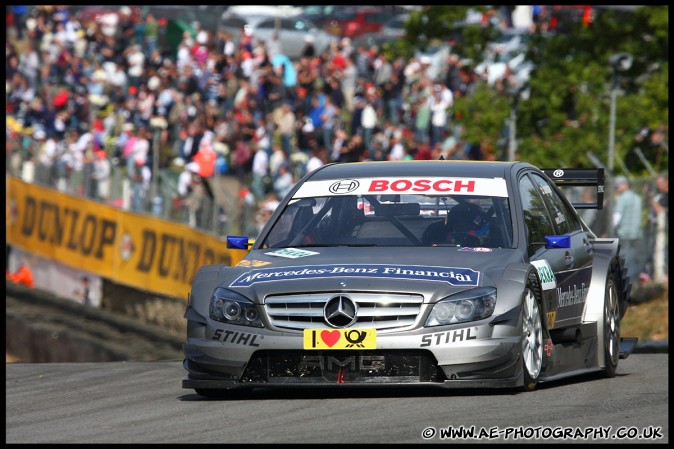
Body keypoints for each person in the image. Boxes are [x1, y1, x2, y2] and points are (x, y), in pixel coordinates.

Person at [613, 176, 643, 282]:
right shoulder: (637, 197)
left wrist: (612, 228)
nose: (617, 188)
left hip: (624, 233)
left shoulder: (623, 198)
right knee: (634, 257)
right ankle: (634, 279)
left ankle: (625, 279)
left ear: (625, 184)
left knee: (625, 257)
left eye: (618, 186)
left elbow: (617, 216)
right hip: (636, 233)